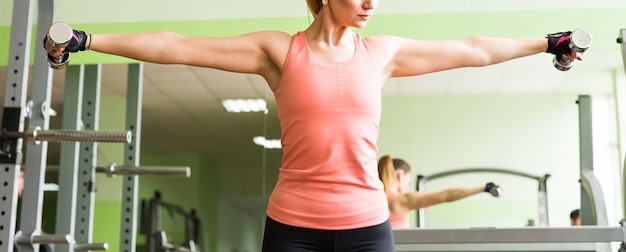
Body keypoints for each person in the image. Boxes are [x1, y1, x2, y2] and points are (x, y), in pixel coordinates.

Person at [44, 0, 583, 250]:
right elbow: (177, 46)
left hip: (368, 228)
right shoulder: (280, 51)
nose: (372, 3)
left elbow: (471, 49)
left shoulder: (381, 54)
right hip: (293, 228)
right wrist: (89, 41)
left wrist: (544, 43)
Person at [378, 155, 501, 228]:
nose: (407, 187)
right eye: (408, 182)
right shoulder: (400, 200)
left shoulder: (378, 199)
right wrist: (484, 188)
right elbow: (447, 195)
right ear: (400, 176)